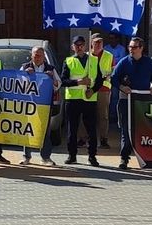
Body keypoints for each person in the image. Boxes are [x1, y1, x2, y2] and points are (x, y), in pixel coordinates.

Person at [112, 36, 152, 171]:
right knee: (126, 130)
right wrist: (122, 87)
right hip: (125, 100)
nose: (131, 50)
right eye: (130, 47)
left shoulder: (149, 63)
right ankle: (124, 158)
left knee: (143, 130)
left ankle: (147, 158)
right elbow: (114, 79)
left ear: (141, 48)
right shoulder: (123, 62)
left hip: (142, 102)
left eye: (134, 47)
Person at [60, 35, 102, 167]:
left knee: (91, 130)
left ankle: (92, 156)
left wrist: (93, 90)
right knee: (72, 130)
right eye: (76, 45)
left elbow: (100, 80)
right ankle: (72, 155)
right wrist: (78, 82)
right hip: (73, 99)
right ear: (72, 47)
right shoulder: (68, 61)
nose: (79, 47)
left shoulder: (93, 61)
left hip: (89, 99)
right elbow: (63, 81)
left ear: (85, 46)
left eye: (81, 45)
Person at [20, 45, 63, 166]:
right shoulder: (25, 67)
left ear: (44, 56)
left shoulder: (51, 68)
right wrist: (26, 75)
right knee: (27, 130)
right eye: (35, 55)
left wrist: (52, 78)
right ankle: (26, 157)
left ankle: (45, 157)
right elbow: (17, 84)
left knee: (45, 131)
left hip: (45, 105)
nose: (37, 57)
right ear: (31, 55)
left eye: (40, 55)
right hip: (29, 104)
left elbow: (58, 84)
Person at [89, 33, 116, 150]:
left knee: (103, 116)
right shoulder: (87, 56)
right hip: (89, 89)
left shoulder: (109, 55)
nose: (98, 44)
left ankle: (103, 139)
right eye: (96, 42)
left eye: (100, 42)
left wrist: (108, 76)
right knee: (87, 114)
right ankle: (83, 139)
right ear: (91, 43)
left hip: (104, 89)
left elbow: (113, 70)